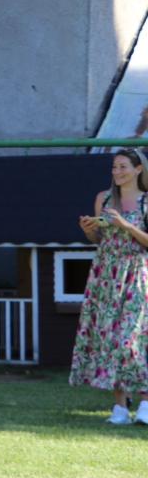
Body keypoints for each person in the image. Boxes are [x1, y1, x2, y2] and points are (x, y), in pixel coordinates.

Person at [71, 149, 148, 425]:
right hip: (106, 276)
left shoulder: (146, 201)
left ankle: (145, 404)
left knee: (133, 338)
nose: (117, 172)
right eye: (114, 167)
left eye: (123, 166)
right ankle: (120, 409)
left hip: (137, 273)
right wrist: (89, 229)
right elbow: (99, 238)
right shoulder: (103, 198)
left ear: (138, 169)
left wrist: (125, 225)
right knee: (110, 338)